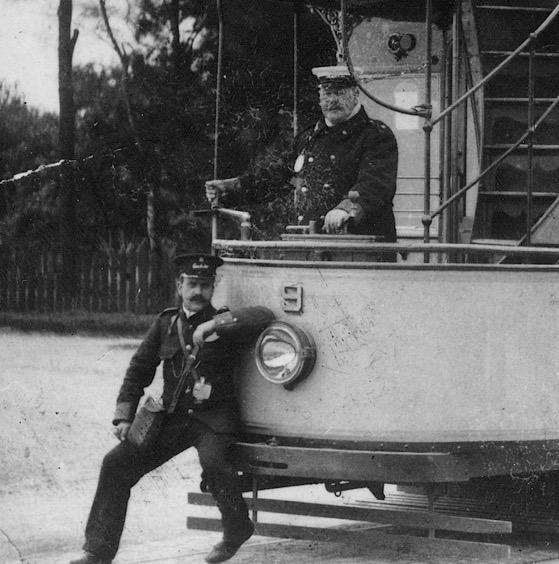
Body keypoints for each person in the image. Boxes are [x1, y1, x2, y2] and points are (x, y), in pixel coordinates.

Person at [70, 253, 274, 564]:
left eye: (205, 285)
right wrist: (124, 416)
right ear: (179, 285)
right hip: (173, 417)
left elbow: (263, 315)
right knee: (116, 464)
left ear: (213, 287)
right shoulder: (166, 323)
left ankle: (236, 529)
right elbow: (139, 368)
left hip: (213, 420)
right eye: (192, 284)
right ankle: (97, 551)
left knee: (215, 463)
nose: (198, 292)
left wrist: (215, 325)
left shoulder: (225, 322)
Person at [205, 65, 398, 241]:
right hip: (312, 245)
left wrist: (345, 209)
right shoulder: (309, 138)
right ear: (319, 96)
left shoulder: (376, 136)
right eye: (327, 93)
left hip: (361, 250)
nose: (332, 101)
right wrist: (230, 188)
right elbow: (276, 177)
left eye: (339, 93)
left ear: (356, 93)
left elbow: (375, 185)